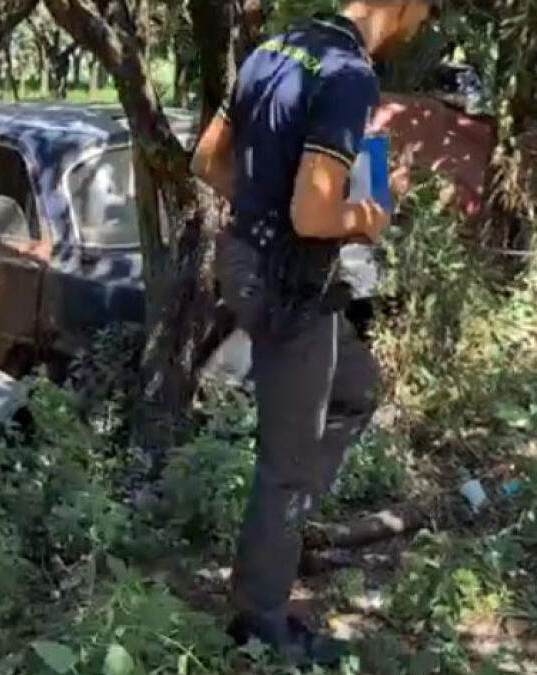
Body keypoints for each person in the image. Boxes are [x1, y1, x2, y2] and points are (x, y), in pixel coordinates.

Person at [190, 0, 440, 666]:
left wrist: (271, 204)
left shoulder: (274, 49)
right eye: (426, 12)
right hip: (288, 282)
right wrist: (368, 215)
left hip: (246, 260)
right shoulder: (348, 73)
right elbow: (312, 211)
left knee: (357, 390)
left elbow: (208, 162)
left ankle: (286, 527)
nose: (421, 27)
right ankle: (259, 621)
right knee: (286, 463)